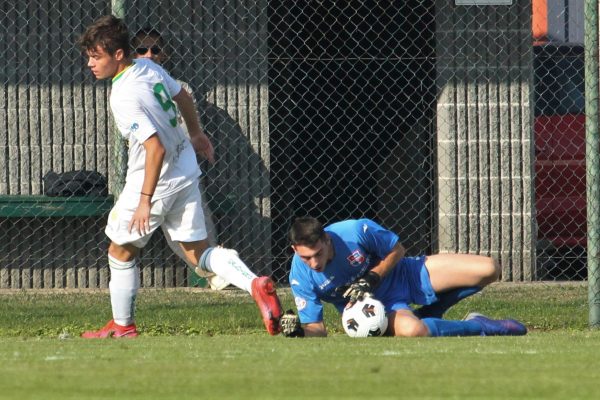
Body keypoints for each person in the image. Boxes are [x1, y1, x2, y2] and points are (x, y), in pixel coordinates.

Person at [78, 15, 282, 338]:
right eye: (88, 55)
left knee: (120, 252)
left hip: (154, 181)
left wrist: (145, 201)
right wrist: (196, 134)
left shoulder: (122, 95)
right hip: (185, 172)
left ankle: (123, 326)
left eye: (96, 56)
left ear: (118, 55)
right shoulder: (148, 68)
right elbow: (183, 96)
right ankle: (255, 283)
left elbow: (154, 149)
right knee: (200, 254)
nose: (90, 63)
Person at [281, 216, 527, 338]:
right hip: (377, 309)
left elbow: (397, 249)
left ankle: (433, 313)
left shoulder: (354, 231)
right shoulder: (300, 277)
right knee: (413, 330)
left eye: (318, 254)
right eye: (305, 258)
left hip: (406, 274)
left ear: (326, 239)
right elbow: (317, 328)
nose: (313, 263)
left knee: (489, 269)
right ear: (295, 250)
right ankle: (480, 326)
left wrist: (373, 276)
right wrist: (298, 331)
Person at [131, 26, 230, 291]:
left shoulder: (180, 89)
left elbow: (184, 134)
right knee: (124, 241)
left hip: (179, 171)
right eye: (141, 49)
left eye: (155, 49)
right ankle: (221, 270)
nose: (149, 54)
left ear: (164, 55)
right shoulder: (128, 88)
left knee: (197, 233)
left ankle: (221, 272)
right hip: (146, 175)